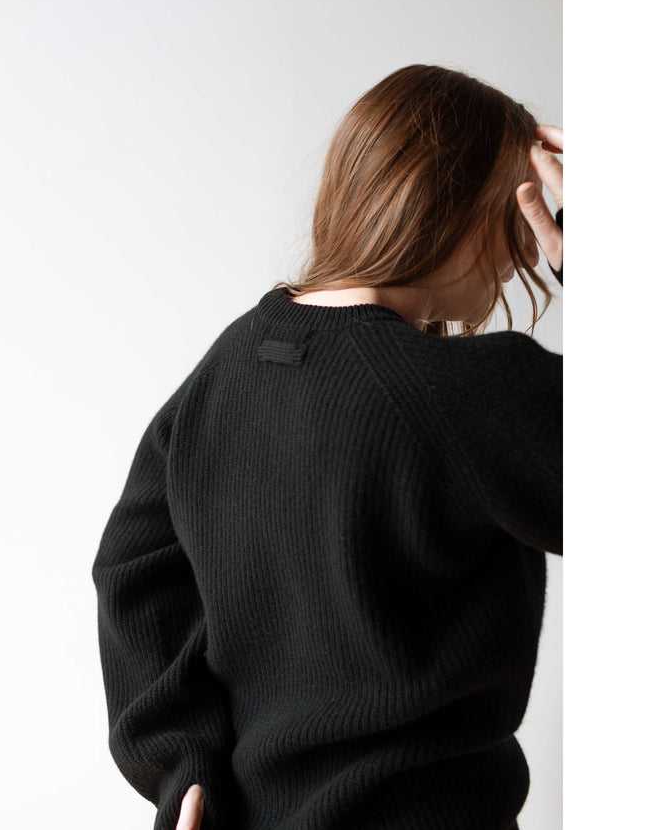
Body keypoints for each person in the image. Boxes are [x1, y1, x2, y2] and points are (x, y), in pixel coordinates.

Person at [92, 64, 563, 830]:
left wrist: (183, 764)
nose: (524, 254)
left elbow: (132, 570)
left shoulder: (232, 365)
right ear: (456, 201)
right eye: (519, 208)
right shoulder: (466, 389)